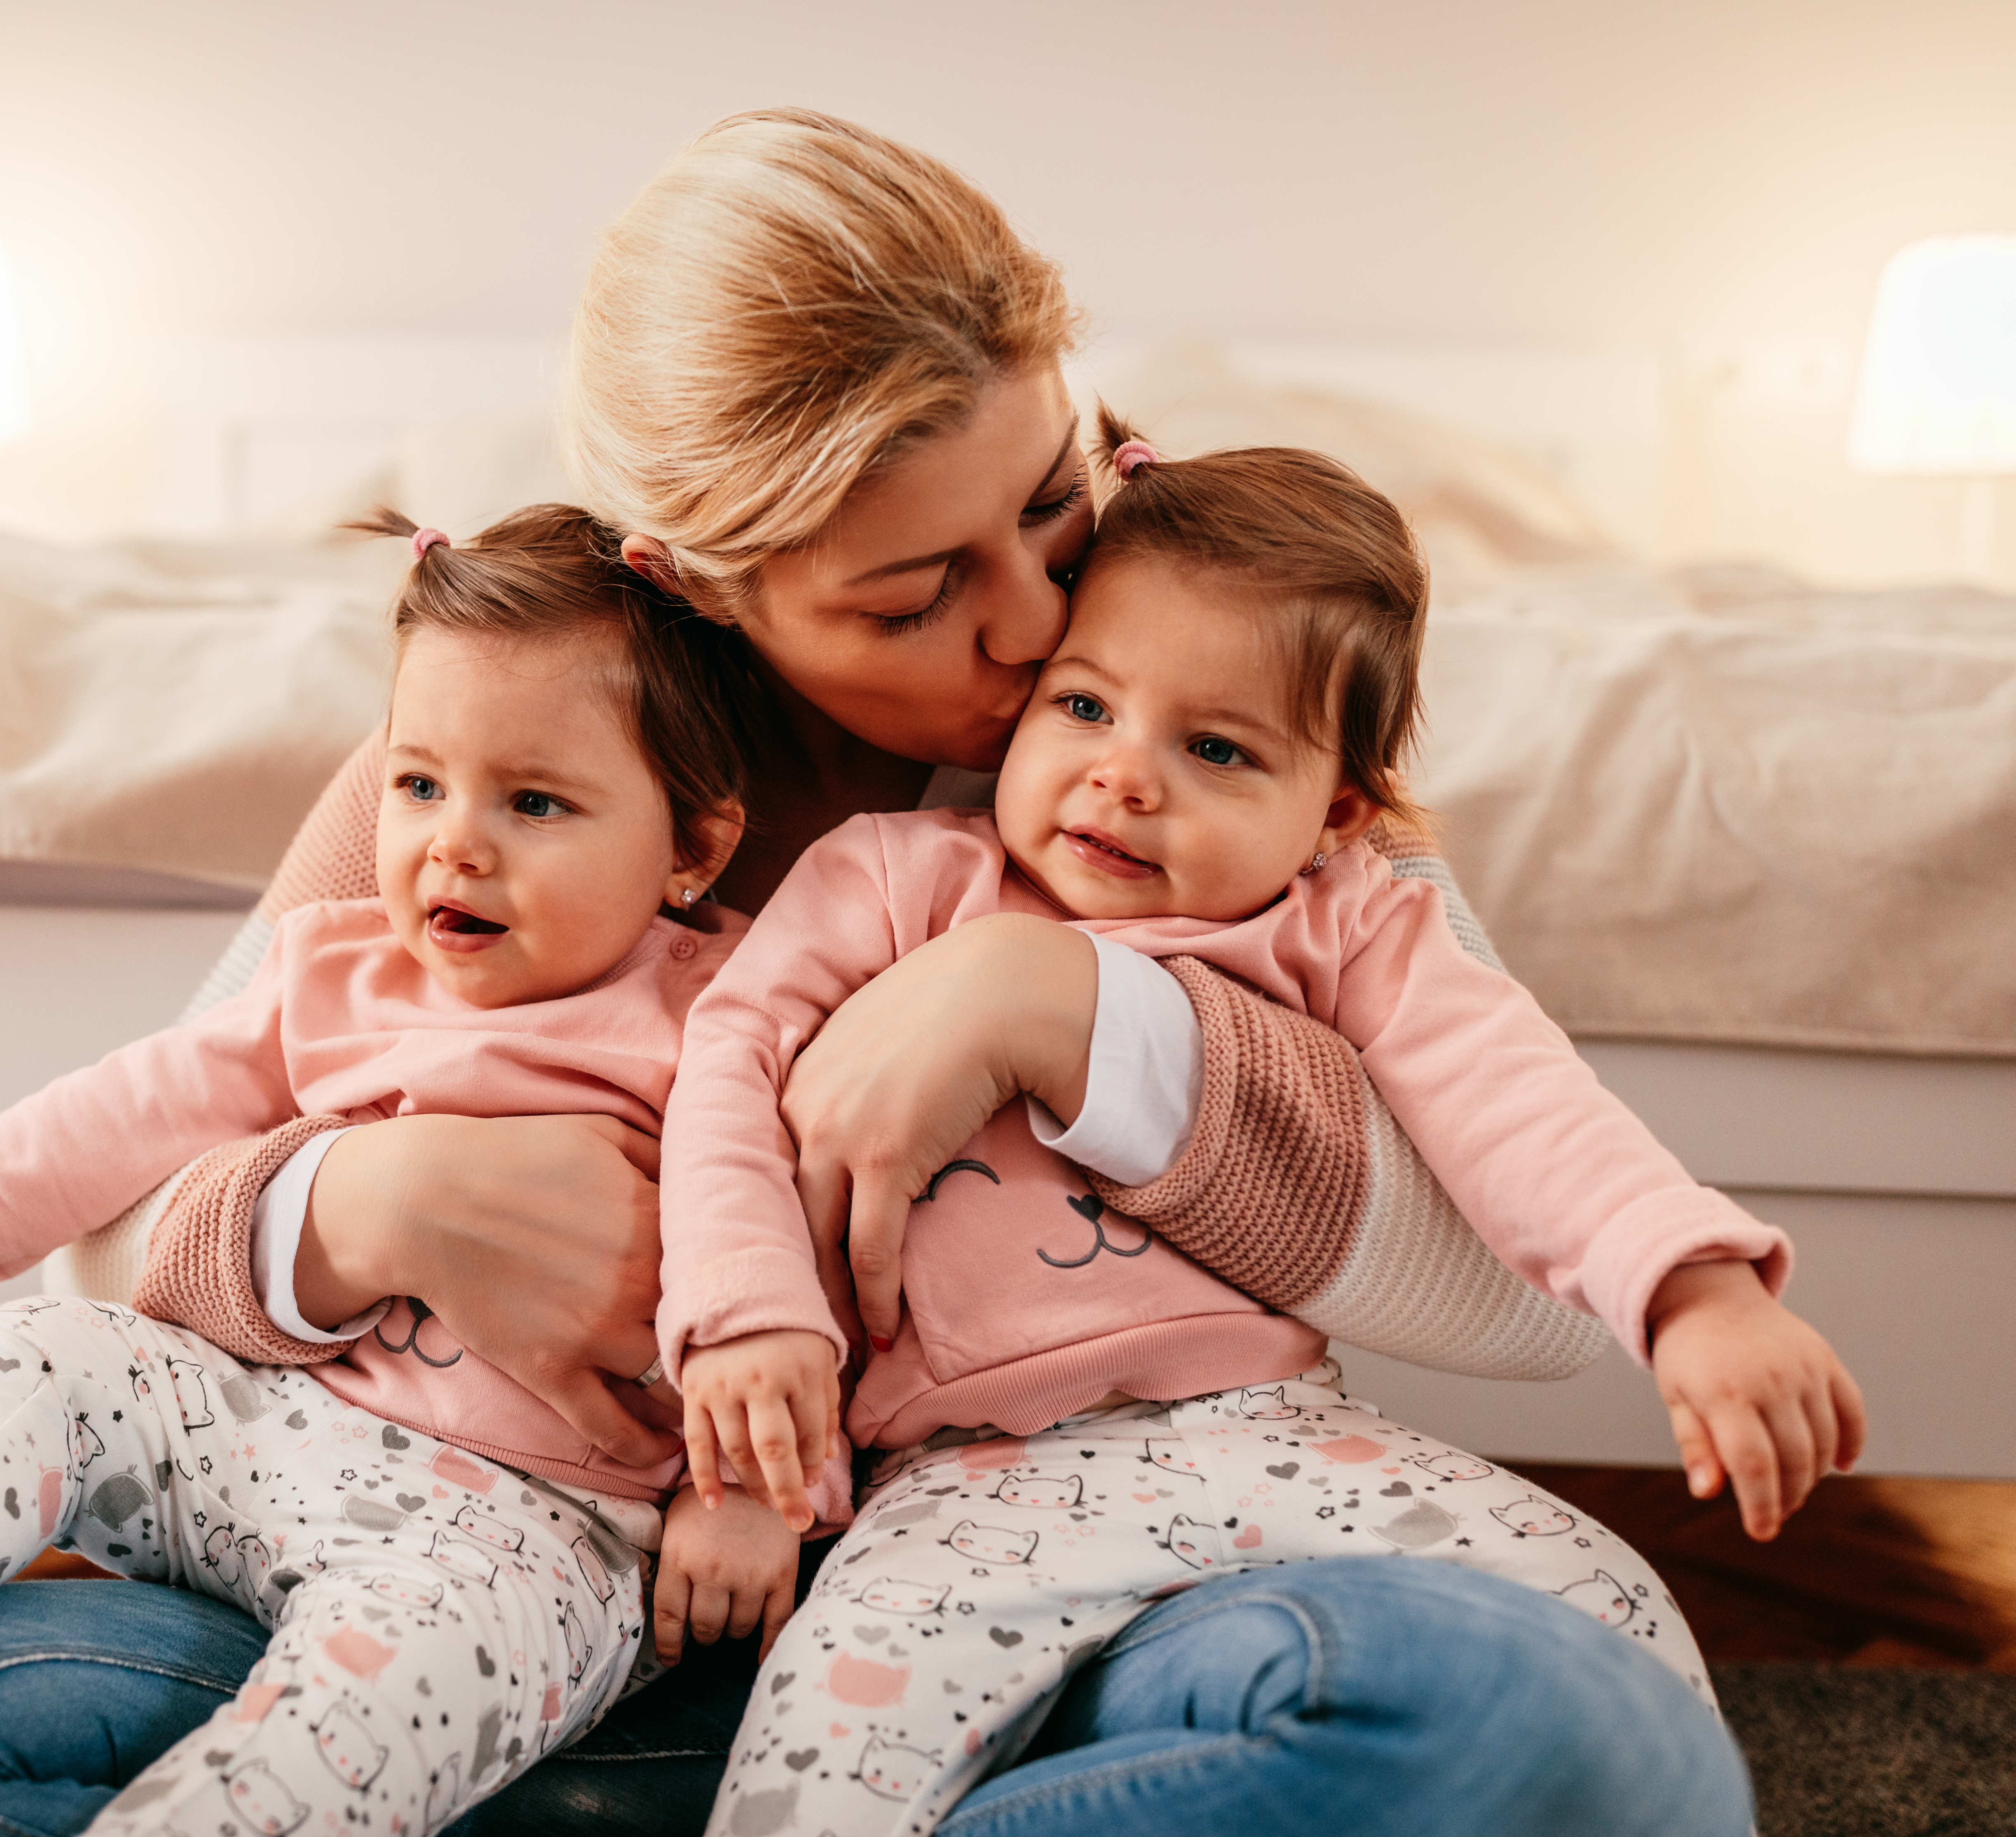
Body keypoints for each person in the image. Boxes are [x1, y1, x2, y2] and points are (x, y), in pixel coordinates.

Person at [0, 110, 1776, 1835]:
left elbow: (1505, 1295)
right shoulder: (531, 745)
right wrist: (345, 1214)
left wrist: (1063, 1017)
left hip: (1084, 1599)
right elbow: (158, 1157)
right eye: (926, 588)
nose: (1038, 627)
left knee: (1561, 1744)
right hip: (497, 1589)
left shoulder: (1192, 678)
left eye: (1060, 492)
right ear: (703, 584)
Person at [662, 417, 1863, 1836]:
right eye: (1084, 708)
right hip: (965, 1477)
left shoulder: (1349, 917)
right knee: (821, 1766)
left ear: (1335, 808)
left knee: (1619, 1631)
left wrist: (1696, 1290)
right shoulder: (894, 877)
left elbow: (1515, 1095)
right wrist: (745, 1350)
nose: (1124, 776)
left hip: (1270, 1429)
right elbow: (724, 1068)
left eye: (1218, 747)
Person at [0, 506, 813, 1835]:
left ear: (694, 850)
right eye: (419, 785)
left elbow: (782, 1274)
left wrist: (743, 1494)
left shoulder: (729, 1018)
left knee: (360, 1717)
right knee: (43, 1352)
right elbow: (120, 1116)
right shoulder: (337, 964)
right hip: (270, 1435)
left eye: (533, 803)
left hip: (536, 1539)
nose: (453, 844)